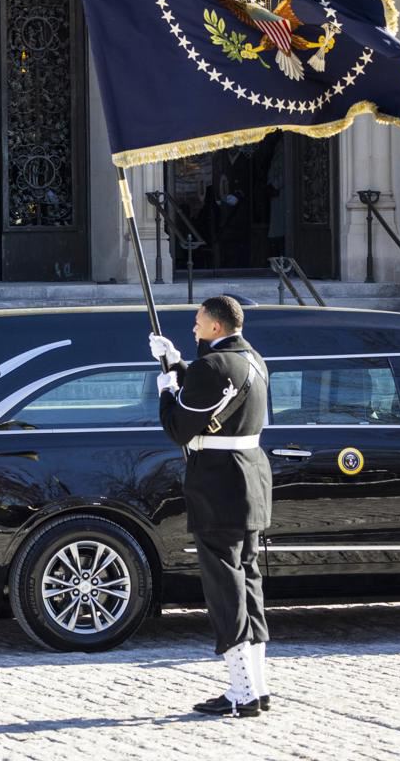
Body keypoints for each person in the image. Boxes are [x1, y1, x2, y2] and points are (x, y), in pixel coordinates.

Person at [150, 296, 273, 718]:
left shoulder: (214, 367)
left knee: (225, 589)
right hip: (249, 479)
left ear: (217, 327)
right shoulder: (252, 359)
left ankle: (241, 692)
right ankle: (257, 685)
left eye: (198, 322)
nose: (194, 327)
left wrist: (167, 388)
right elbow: (214, 392)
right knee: (248, 582)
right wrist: (180, 364)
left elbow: (179, 428)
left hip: (219, 483)